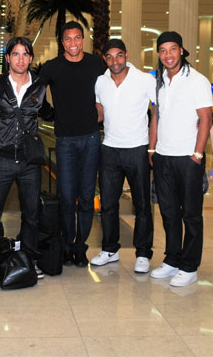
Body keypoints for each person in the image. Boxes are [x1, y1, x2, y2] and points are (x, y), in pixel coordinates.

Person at [0, 37, 54, 284]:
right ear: (7, 58)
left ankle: (29, 258)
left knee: (31, 214)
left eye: (25, 54)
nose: (20, 59)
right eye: (15, 54)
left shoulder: (39, 86)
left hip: (30, 162)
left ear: (30, 58)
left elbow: (47, 111)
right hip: (2, 159)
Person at [149, 31, 212, 287]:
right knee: (168, 212)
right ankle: (173, 259)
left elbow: (206, 118)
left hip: (188, 158)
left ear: (182, 51)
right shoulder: (160, 81)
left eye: (172, 49)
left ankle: (189, 266)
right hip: (163, 156)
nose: (168, 55)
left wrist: (197, 155)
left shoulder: (197, 80)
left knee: (192, 215)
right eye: (163, 50)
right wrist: (152, 150)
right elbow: (156, 117)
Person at [40, 21, 105, 267]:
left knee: (87, 197)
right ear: (62, 42)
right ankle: (67, 246)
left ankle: (80, 247)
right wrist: (50, 114)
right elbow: (36, 92)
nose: (73, 43)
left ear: (83, 39)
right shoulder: (52, 67)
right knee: (67, 196)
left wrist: (103, 111)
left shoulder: (96, 63)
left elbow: (111, 88)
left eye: (77, 38)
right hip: (65, 140)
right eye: (68, 39)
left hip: (90, 138)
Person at [89, 39, 155, 273]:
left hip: (138, 148)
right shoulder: (100, 82)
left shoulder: (145, 79)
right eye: (109, 57)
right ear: (104, 58)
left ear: (126, 55)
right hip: (109, 149)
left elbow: (161, 107)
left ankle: (143, 253)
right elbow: (99, 111)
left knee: (142, 205)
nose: (115, 61)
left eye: (119, 55)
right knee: (108, 204)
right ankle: (109, 249)